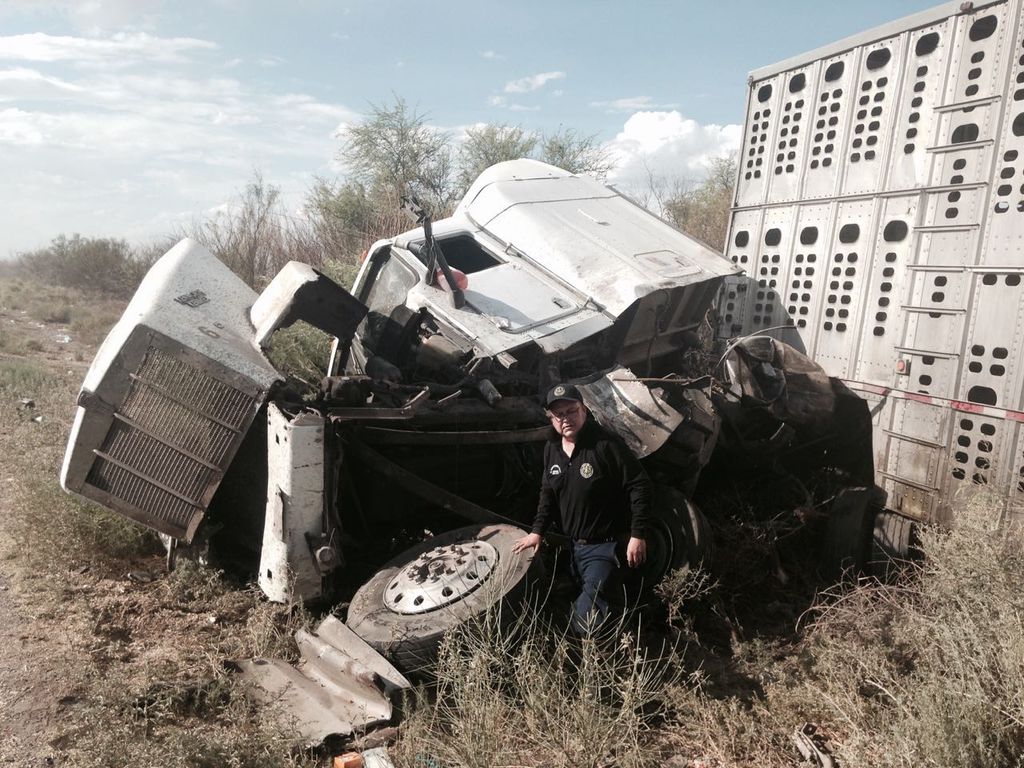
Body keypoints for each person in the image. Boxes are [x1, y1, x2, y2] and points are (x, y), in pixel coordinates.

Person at [513, 383, 651, 634]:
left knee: (584, 618)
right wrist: (537, 531)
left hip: (605, 546)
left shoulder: (605, 445)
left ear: (584, 410)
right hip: (573, 548)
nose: (566, 419)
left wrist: (637, 534)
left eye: (571, 411)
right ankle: (623, 633)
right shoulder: (551, 449)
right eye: (559, 414)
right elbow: (548, 494)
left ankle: (593, 660)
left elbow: (638, 484)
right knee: (595, 604)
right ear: (552, 418)